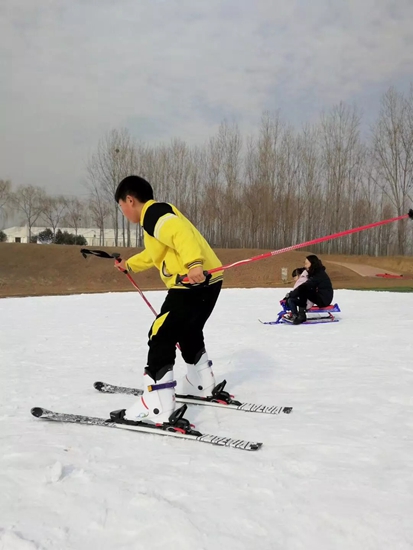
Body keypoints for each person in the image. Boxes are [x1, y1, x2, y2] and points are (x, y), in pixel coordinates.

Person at [112, 175, 224, 427]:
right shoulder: (157, 217)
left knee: (160, 334)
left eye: (121, 206)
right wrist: (128, 265)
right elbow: (155, 255)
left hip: (191, 283)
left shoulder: (153, 214)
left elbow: (179, 232)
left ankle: (157, 405)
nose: (123, 212)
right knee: (188, 331)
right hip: (210, 281)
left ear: (130, 200)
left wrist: (193, 263)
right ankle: (201, 383)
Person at [287, 255, 333, 325]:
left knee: (303, 288)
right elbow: (302, 272)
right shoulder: (314, 271)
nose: (305, 265)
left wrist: (291, 294)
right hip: (319, 295)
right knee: (303, 289)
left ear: (312, 263)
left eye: (306, 263)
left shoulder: (319, 274)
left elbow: (307, 285)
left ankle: (302, 315)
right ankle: (297, 314)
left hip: (324, 299)